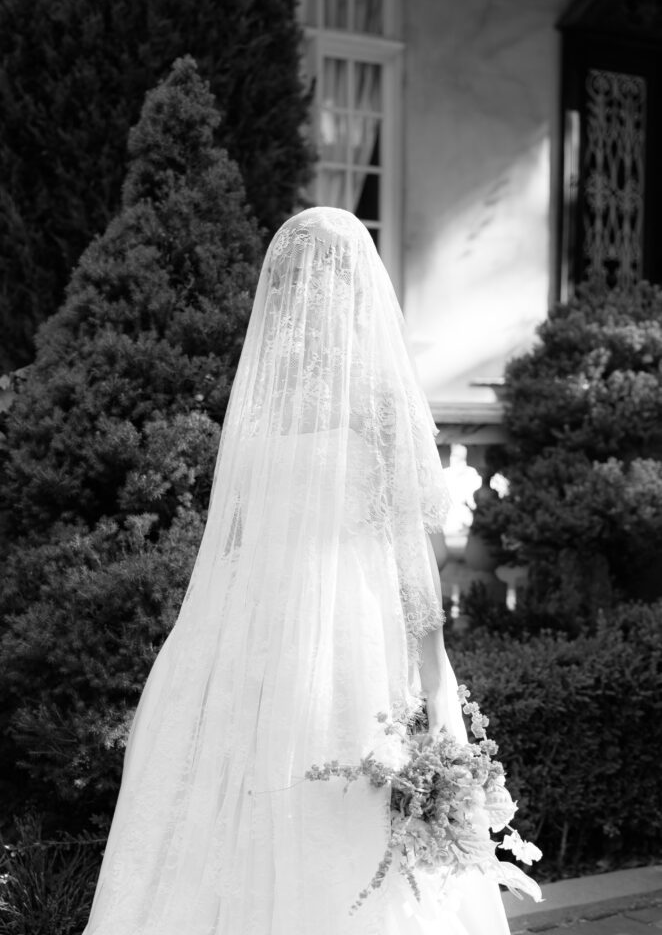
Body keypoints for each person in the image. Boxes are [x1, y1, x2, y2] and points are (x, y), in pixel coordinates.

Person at [83, 206, 511, 934]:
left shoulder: (265, 408)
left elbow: (251, 546)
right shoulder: (349, 403)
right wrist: (434, 672)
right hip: (325, 639)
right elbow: (409, 560)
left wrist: (436, 679)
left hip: (262, 635)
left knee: (267, 805)